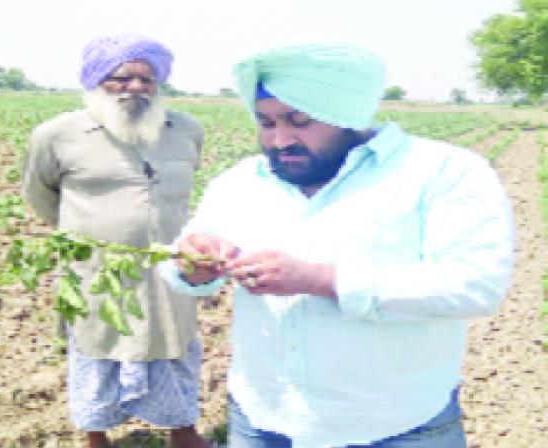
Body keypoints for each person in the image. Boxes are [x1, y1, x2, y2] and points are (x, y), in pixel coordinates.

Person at [160, 43, 515, 447]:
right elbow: (182, 264)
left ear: (346, 114)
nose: (279, 140)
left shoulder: (441, 172)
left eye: (299, 121)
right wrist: (192, 263)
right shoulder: (241, 181)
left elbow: (474, 284)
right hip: (263, 418)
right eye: (266, 122)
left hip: (395, 425)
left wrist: (319, 279)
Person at [21, 34, 210, 448]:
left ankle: (182, 431)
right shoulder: (57, 135)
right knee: (96, 345)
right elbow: (39, 194)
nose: (135, 88)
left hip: (169, 267)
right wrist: (94, 236)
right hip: (96, 271)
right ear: (96, 81)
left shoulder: (185, 130)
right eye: (121, 79)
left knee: (173, 342)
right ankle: (96, 435)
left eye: (147, 79)